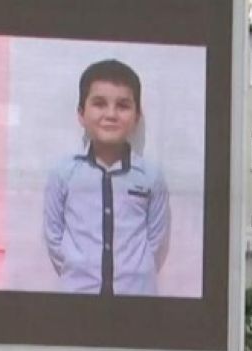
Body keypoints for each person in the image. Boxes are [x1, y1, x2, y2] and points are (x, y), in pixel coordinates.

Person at [43, 59, 171, 297]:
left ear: (137, 116)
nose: (111, 114)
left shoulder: (150, 176)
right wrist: (79, 268)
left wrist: (134, 272)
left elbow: (156, 241)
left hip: (136, 299)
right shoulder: (63, 173)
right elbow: (54, 237)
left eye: (123, 106)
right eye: (99, 104)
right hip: (78, 297)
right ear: (81, 114)